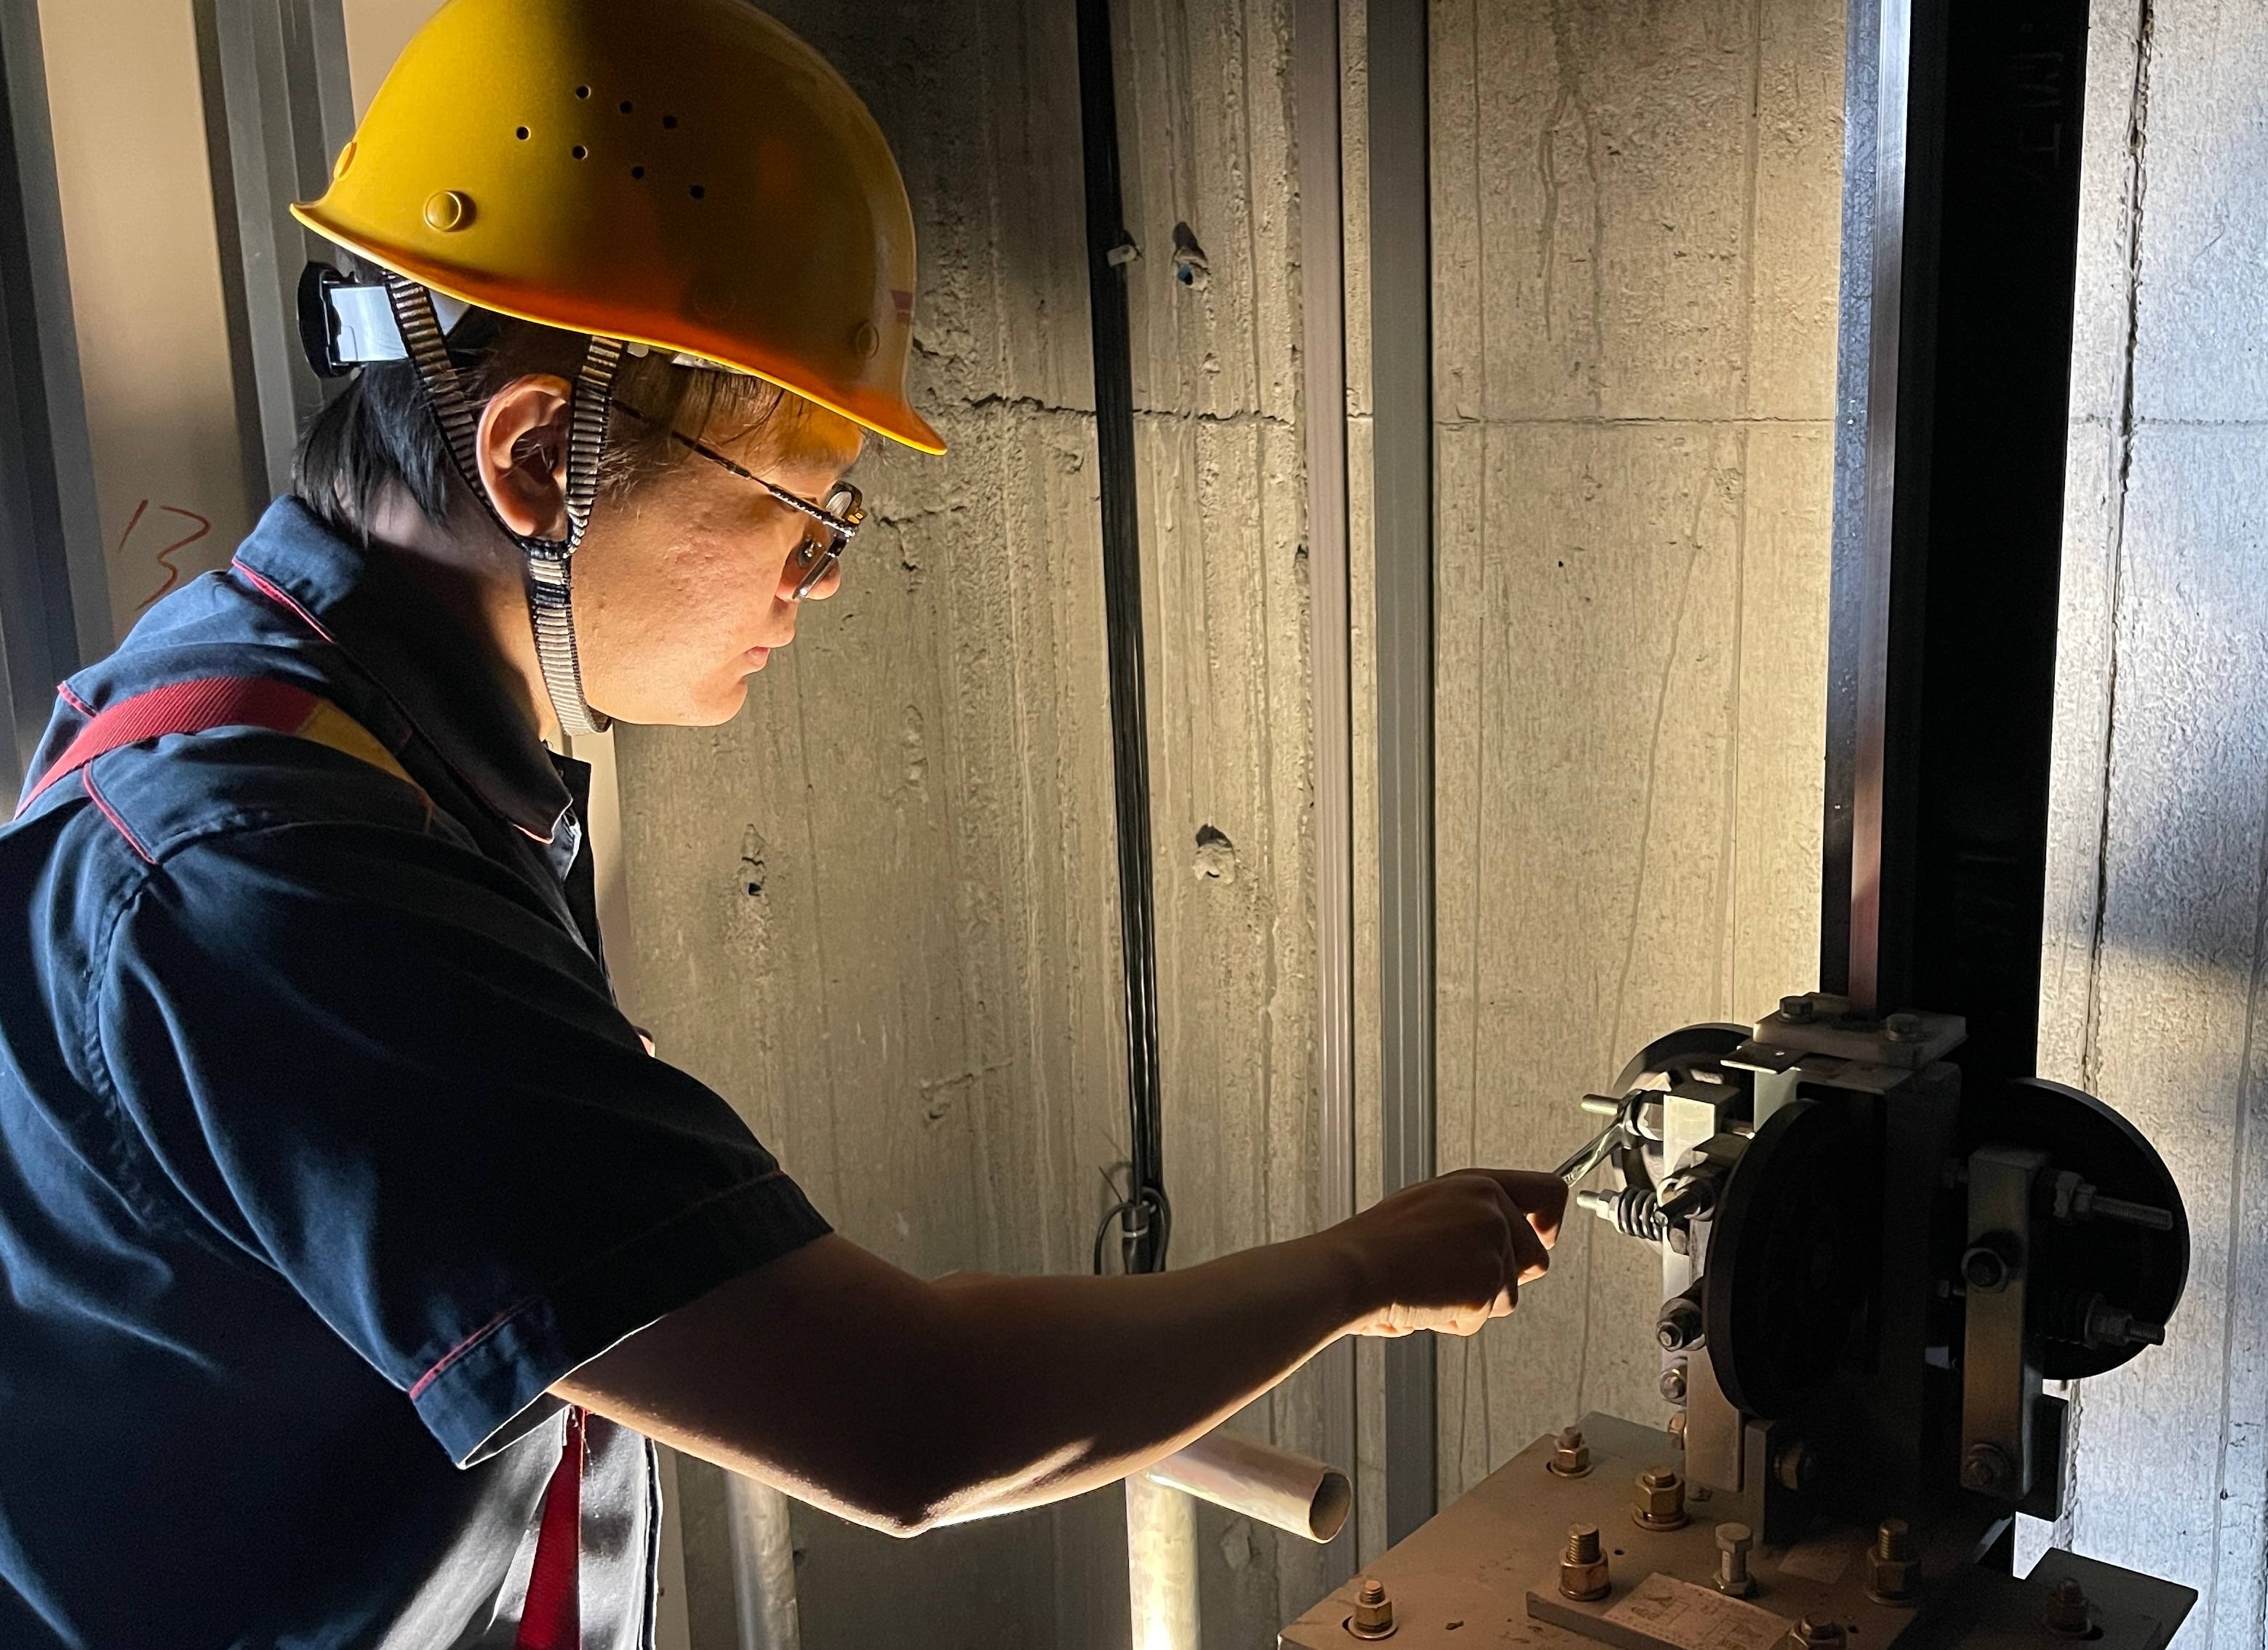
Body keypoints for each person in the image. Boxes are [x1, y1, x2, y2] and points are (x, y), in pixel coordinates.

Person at [0, 1, 1563, 1644]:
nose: (812, 586)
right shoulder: (272, 880)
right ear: (536, 456)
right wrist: (1363, 1271)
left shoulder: (316, 719)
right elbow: (909, 1419)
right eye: (800, 515)